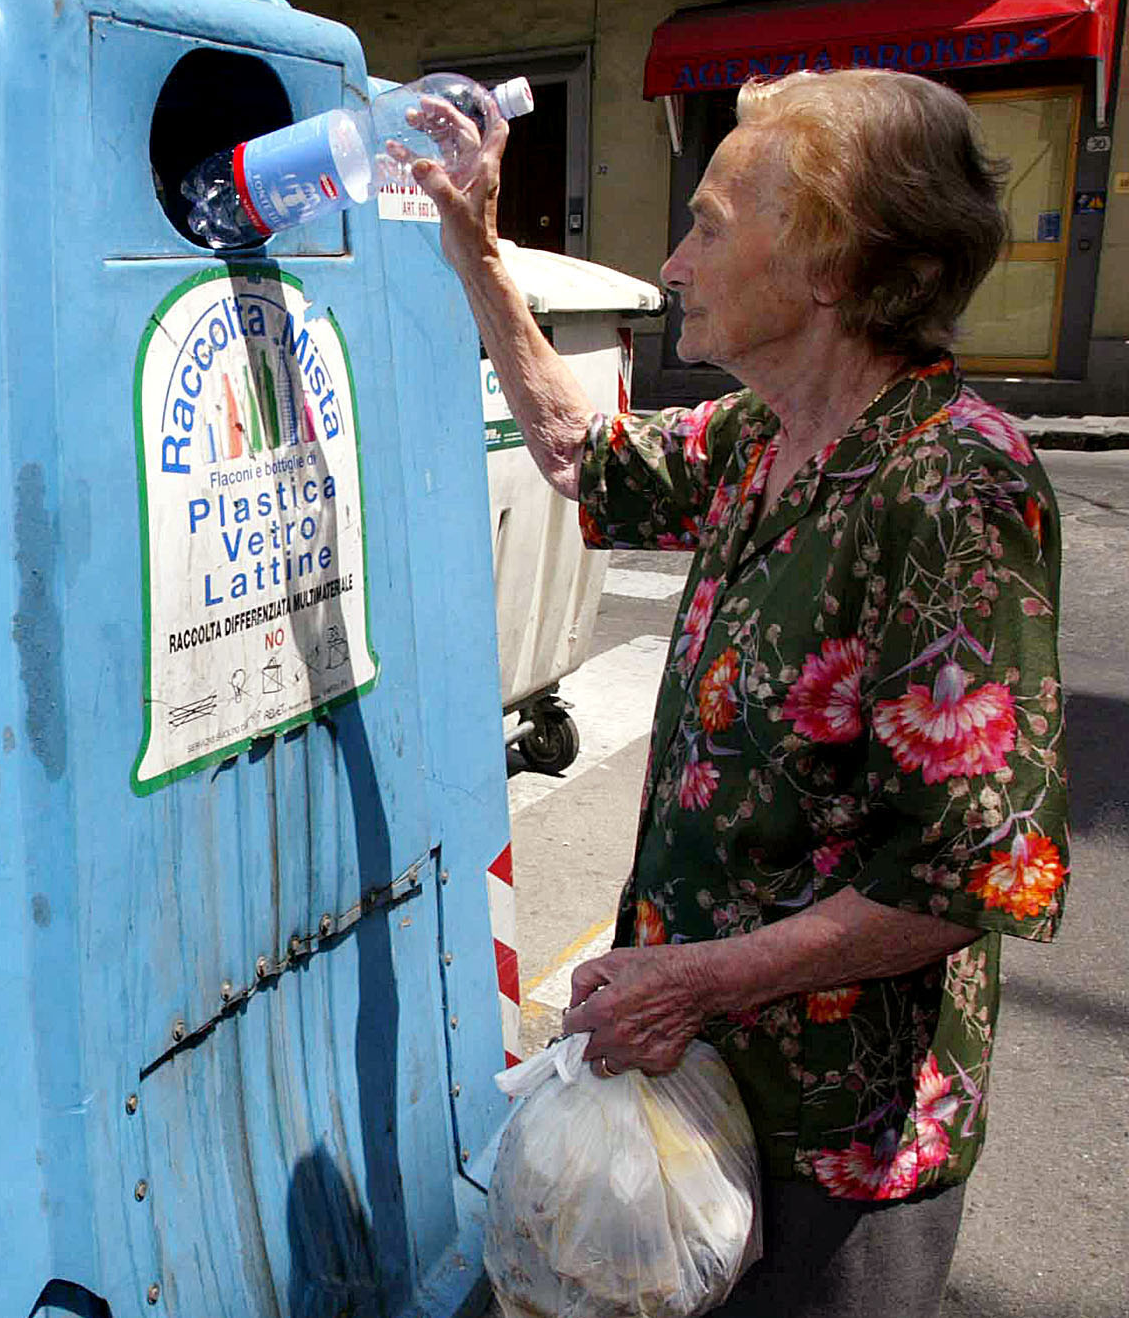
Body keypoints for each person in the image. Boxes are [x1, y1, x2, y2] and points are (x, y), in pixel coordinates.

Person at [416, 68, 1071, 1317]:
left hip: (835, 1137)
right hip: (690, 1085)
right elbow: (573, 450)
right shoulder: (761, 438)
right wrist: (475, 249)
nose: (671, 260)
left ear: (827, 263)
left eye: (710, 225)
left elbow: (976, 873)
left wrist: (701, 977)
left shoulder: (946, 487)